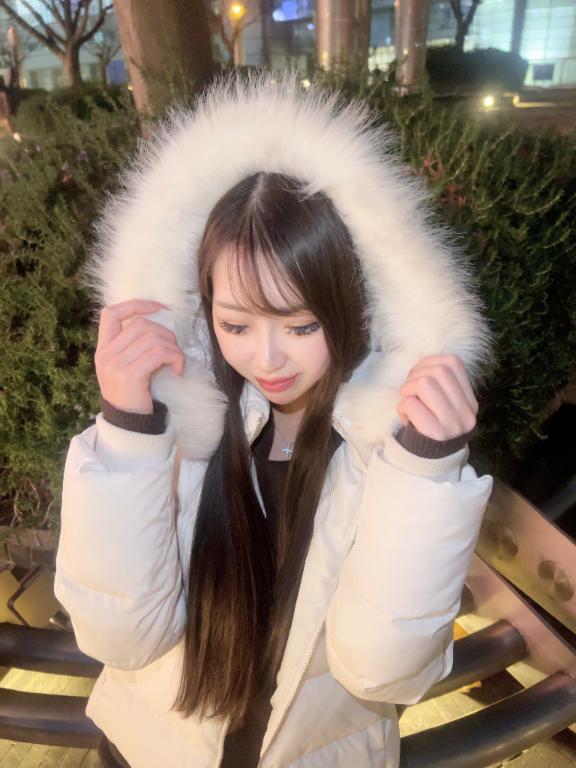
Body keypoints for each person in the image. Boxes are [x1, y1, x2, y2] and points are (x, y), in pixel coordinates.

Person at [54, 69, 495, 768]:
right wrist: (126, 430)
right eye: (235, 324)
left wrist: (426, 474)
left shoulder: (385, 445)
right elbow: (120, 636)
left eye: (300, 325)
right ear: (203, 310)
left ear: (351, 306)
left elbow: (385, 672)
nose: (266, 359)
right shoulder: (178, 425)